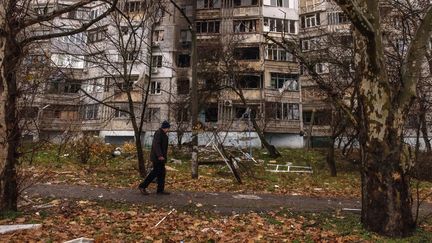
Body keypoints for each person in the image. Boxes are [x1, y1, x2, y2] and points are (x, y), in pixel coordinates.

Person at [138, 120, 171, 195]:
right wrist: (160, 155)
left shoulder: (164, 135)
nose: (168, 130)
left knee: (162, 173)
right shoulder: (159, 133)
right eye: (168, 128)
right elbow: (156, 145)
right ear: (165, 128)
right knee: (154, 173)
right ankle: (142, 186)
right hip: (157, 158)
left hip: (161, 158)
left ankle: (160, 190)